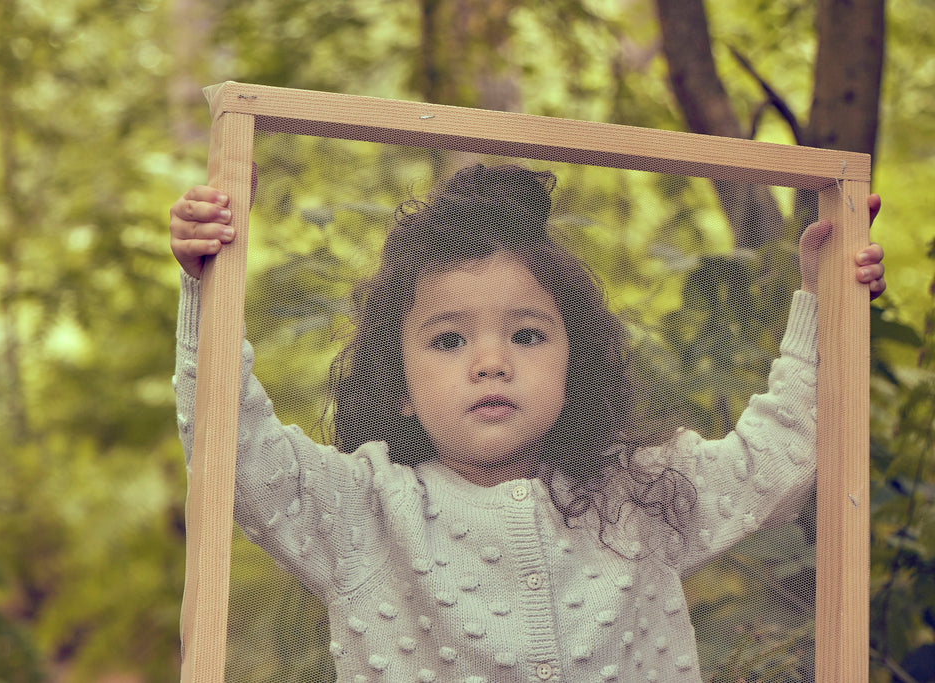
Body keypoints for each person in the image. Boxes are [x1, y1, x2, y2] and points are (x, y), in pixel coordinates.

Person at [170, 164, 885, 682]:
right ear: (400, 387)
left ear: (576, 365)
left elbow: (777, 456)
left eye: (528, 335)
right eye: (449, 340)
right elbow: (231, 442)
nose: (490, 362)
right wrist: (211, 281)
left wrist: (827, 303)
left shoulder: (637, 493)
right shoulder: (362, 509)